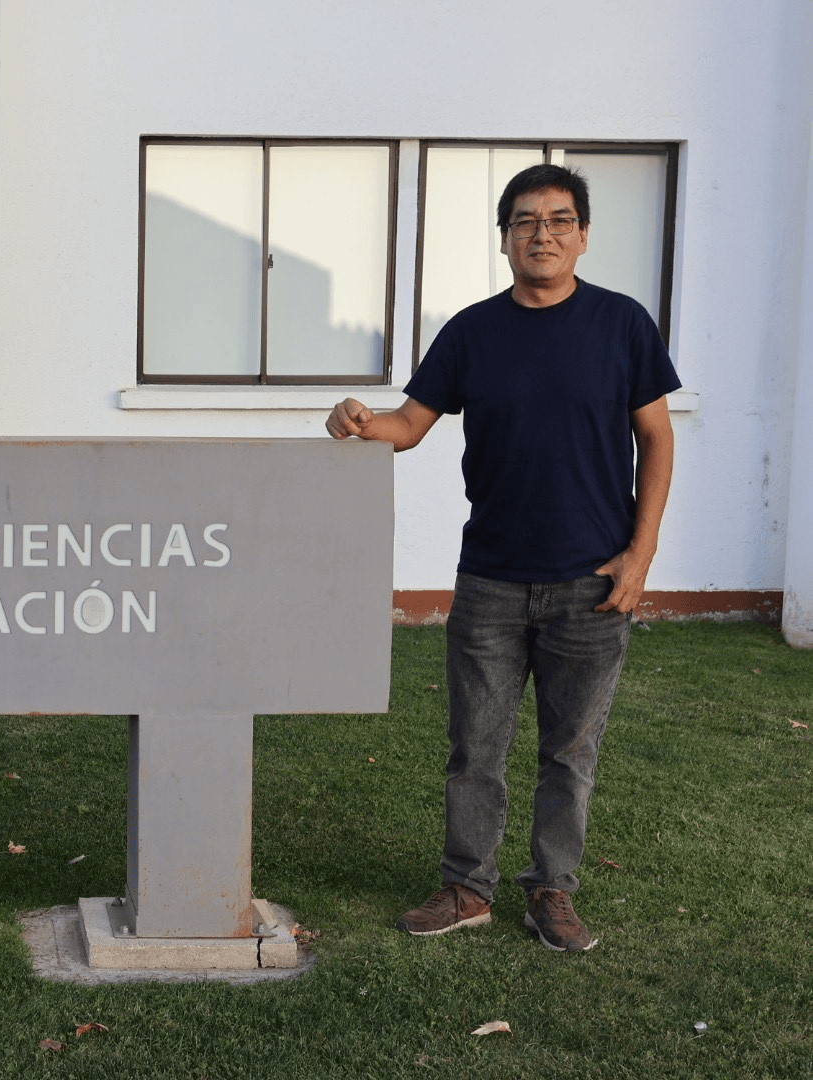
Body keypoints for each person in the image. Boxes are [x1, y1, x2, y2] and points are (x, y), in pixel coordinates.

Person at [326, 163, 679, 952]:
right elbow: (408, 425)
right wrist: (358, 419)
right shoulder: (472, 332)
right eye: (525, 221)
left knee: (570, 752)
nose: (541, 234)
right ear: (504, 239)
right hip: (489, 579)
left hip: (592, 581)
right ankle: (467, 887)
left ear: (583, 236)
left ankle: (552, 891)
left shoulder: (623, 325)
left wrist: (639, 556)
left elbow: (656, 438)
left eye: (558, 220)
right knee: (475, 748)